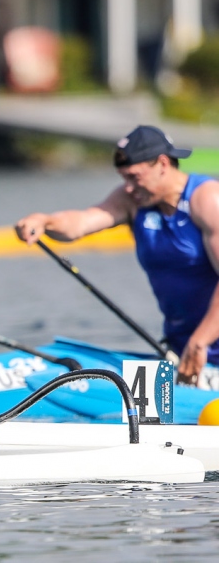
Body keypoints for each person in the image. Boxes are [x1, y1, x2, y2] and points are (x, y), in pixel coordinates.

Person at [15, 125, 219, 387]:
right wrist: (44, 221)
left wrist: (200, 340)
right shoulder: (133, 201)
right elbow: (81, 222)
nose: (129, 188)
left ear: (163, 164)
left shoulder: (207, 199)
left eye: (135, 177)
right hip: (183, 353)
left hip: (201, 349)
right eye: (124, 178)